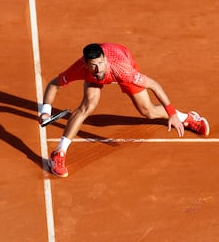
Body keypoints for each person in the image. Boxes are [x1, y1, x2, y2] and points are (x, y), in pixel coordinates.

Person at [39, 43, 209, 177]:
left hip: (121, 64)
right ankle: (59, 153)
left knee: (148, 111)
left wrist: (172, 114)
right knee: (87, 106)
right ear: (86, 64)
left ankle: (187, 117)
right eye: (93, 65)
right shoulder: (80, 69)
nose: (98, 69)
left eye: (100, 63)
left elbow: (154, 85)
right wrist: (45, 112)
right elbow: (53, 84)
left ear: (105, 59)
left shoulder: (124, 70)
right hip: (98, 76)